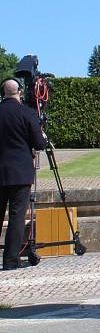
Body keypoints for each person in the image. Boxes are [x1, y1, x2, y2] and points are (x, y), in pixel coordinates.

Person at [0, 79, 47, 270]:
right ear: (19, 92)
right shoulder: (27, 113)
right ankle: (11, 260)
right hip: (20, 173)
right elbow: (39, 143)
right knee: (17, 217)